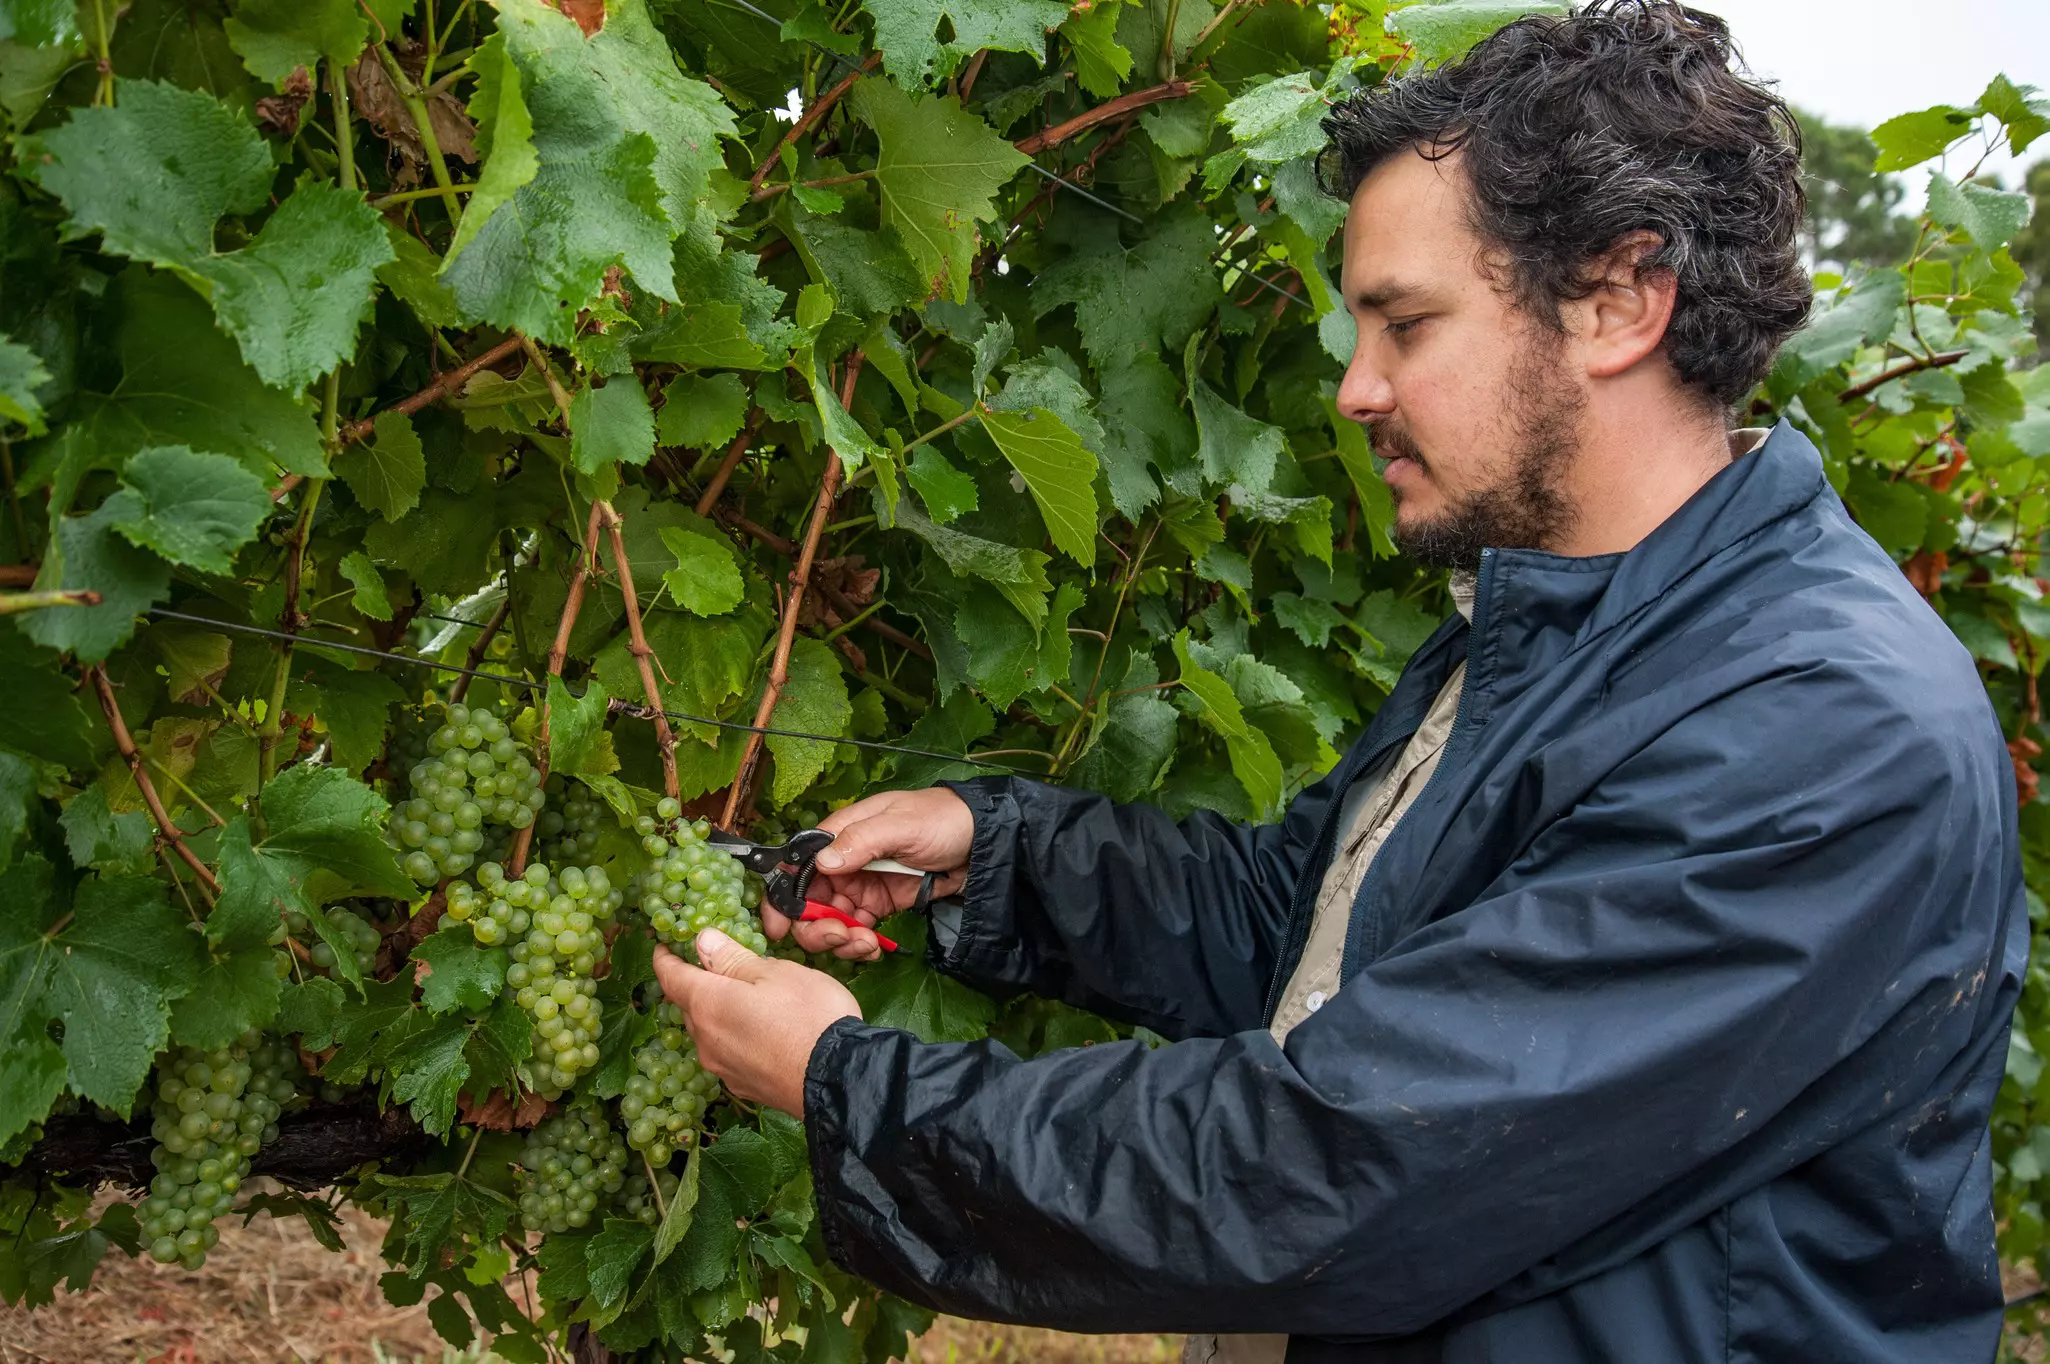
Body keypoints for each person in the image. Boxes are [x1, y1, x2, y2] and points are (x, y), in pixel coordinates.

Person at [652, 3, 2027, 1359]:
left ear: (1617, 301)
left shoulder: (1813, 729)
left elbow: (1333, 1172)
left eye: (1404, 325)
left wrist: (853, 1089)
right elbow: (1307, 936)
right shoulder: (1563, 621)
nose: (1353, 389)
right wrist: (993, 858)